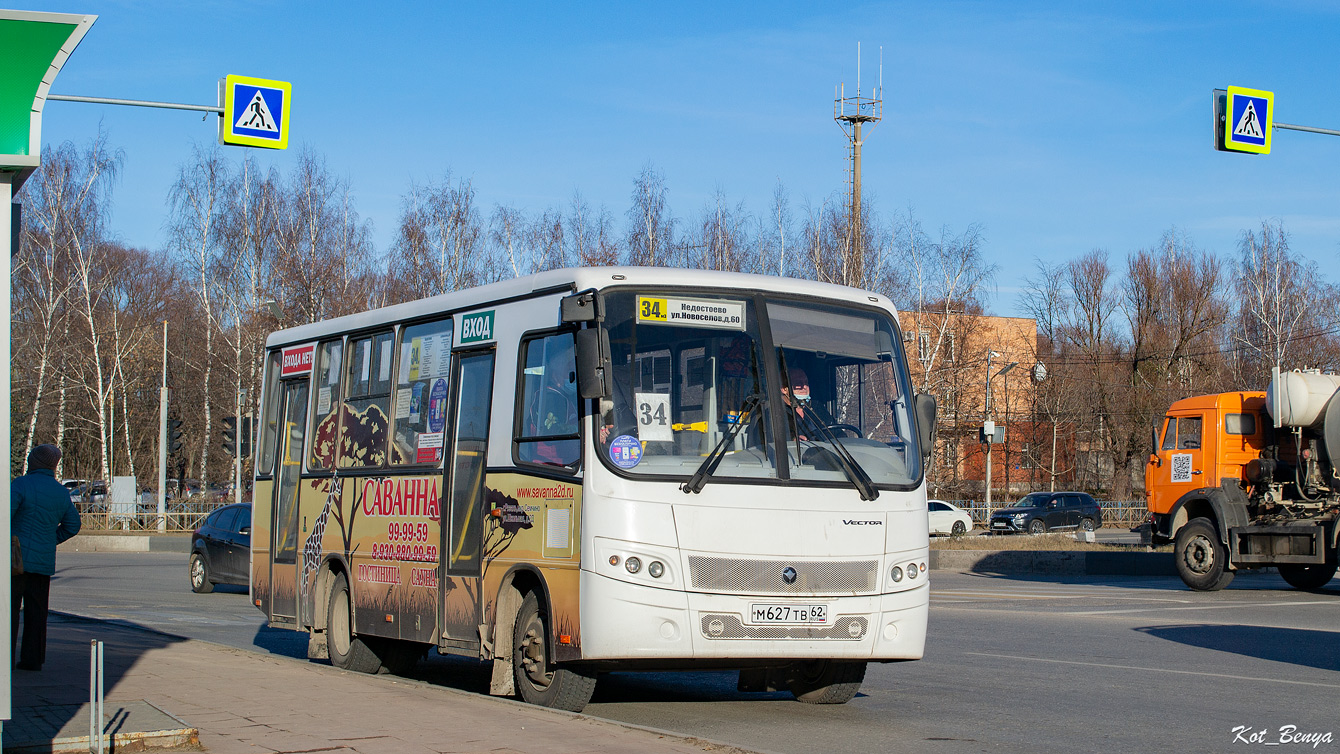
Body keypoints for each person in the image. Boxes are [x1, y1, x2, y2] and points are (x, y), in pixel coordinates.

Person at [12, 444, 81, 671]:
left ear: (32, 462)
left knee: (9, 611)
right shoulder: (61, 492)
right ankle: (32, 660)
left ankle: (5, 658)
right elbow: (73, 525)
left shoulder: (21, 484)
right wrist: (51, 540)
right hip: (42, 564)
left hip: (15, 561)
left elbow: (6, 516)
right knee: (37, 613)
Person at [780, 367, 812, 441]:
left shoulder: (818, 409)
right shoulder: (774, 414)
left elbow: (837, 434)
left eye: (806, 383)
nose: (804, 387)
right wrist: (793, 440)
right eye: (798, 383)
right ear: (784, 389)